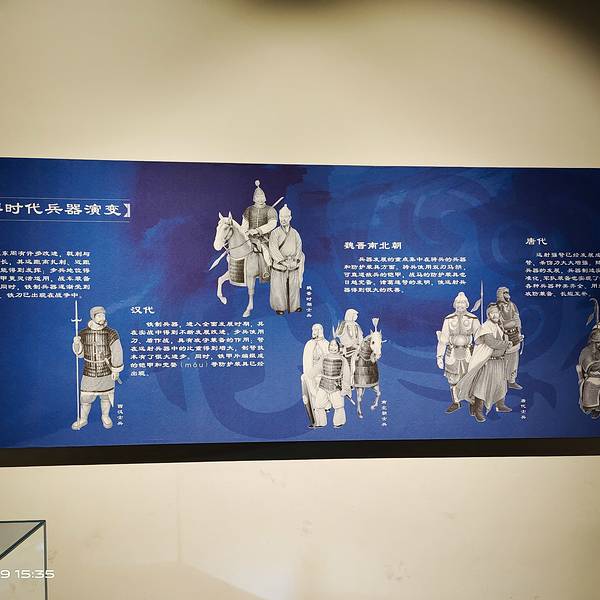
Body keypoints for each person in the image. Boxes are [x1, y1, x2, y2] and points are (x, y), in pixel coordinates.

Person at [455, 303, 513, 422]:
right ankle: (478, 410)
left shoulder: (497, 326)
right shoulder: (486, 327)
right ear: (488, 315)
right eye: (492, 313)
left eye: (496, 313)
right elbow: (491, 342)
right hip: (487, 362)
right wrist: (506, 344)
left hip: (499, 361)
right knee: (482, 387)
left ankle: (500, 405)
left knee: (500, 384)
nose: (495, 315)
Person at [71, 306, 124, 430]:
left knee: (106, 397)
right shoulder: (83, 333)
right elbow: (80, 354)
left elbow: (117, 352)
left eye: (103, 315)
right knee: (85, 398)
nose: (102, 318)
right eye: (99, 316)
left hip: (106, 371)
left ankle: (105, 416)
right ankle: (83, 419)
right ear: (93, 317)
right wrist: (77, 343)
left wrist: (116, 370)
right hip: (89, 371)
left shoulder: (111, 333)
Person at [436, 292, 481, 414]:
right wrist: (439, 356)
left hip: (468, 352)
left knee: (470, 378)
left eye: (463, 303)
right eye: (458, 302)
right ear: (455, 304)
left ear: (467, 304)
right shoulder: (449, 319)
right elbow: (443, 339)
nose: (460, 305)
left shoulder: (473, 319)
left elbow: (479, 338)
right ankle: (456, 402)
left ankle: (472, 402)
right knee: (453, 379)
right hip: (452, 352)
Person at [268, 204, 304, 314]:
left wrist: (296, 260)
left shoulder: (295, 233)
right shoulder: (275, 233)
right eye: (281, 217)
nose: (283, 219)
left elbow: (299, 247)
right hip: (279, 264)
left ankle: (295, 306)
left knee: (294, 286)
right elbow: (273, 248)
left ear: (290, 218)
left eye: (286, 217)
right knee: (278, 287)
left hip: (292, 263)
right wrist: (283, 262)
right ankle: (279, 307)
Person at [241, 180, 278, 279]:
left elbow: (272, 224)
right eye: (258, 197)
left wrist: (257, 230)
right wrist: (245, 232)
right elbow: (244, 225)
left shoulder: (270, 210)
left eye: (262, 196)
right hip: (249, 238)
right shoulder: (249, 210)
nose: (260, 199)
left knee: (265, 251)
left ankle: (267, 270)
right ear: (254, 198)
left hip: (264, 238)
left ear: (265, 197)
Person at [313, 340, 349, 428]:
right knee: (318, 405)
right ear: (329, 347)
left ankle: (339, 422)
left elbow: (346, 375)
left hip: (336, 385)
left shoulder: (342, 359)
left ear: (338, 347)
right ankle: (320, 422)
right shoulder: (324, 358)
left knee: (339, 405)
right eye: (331, 345)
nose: (333, 347)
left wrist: (345, 388)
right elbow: (316, 369)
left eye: (335, 345)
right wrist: (308, 375)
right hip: (323, 384)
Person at [301, 324, 329, 427]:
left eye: (317, 329)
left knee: (322, 397)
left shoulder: (326, 343)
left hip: (323, 374)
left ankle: (322, 416)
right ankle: (316, 420)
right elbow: (306, 360)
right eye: (314, 329)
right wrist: (308, 373)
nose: (315, 331)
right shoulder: (309, 344)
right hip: (312, 373)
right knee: (312, 395)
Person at [496, 286, 523, 390]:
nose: (507, 295)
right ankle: (501, 382)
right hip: (503, 336)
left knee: (514, 360)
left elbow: (517, 319)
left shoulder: (512, 305)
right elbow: (496, 322)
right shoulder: (495, 307)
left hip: (514, 334)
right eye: (504, 293)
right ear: (500, 294)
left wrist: (519, 332)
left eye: (507, 293)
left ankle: (511, 381)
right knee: (502, 360)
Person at [335, 308, 363, 396]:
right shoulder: (344, 324)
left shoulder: (356, 325)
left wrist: (360, 344)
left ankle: (356, 382)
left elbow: (360, 336)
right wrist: (351, 344)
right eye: (355, 315)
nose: (356, 317)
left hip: (357, 348)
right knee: (348, 368)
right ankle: (346, 386)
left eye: (356, 315)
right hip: (347, 350)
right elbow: (341, 337)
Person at [577, 328, 600, 419]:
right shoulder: (586, 352)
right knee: (592, 400)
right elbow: (586, 366)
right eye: (597, 342)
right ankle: (595, 409)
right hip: (592, 382)